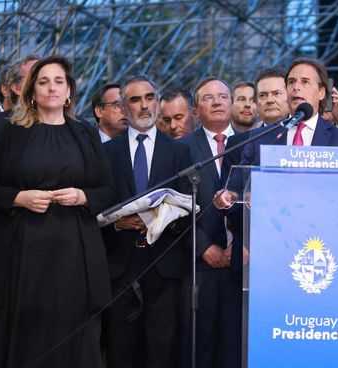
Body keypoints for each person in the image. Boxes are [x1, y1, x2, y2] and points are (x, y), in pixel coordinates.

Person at [0, 55, 114, 367]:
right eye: (43, 81)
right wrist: (18, 198)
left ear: (68, 93)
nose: (51, 87)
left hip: (75, 254)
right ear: (31, 92)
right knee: (26, 337)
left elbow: (108, 190)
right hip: (21, 254)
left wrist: (82, 196)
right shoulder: (10, 132)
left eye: (59, 81)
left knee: (75, 336)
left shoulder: (86, 134)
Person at [101, 75, 192, 368]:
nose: (144, 106)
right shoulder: (105, 153)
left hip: (163, 263)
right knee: (120, 350)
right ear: (123, 108)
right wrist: (118, 224)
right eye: (135, 100)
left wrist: (162, 219)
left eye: (149, 98)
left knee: (162, 351)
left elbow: (189, 204)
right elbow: (97, 206)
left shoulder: (179, 151)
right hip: (119, 265)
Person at [179, 77, 240, 368]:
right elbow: (174, 207)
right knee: (200, 348)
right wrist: (203, 247)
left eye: (222, 96)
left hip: (242, 266)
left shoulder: (249, 143)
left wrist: (241, 247)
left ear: (232, 103)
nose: (216, 102)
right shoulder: (180, 149)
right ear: (195, 110)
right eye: (208, 98)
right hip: (199, 265)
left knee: (235, 348)